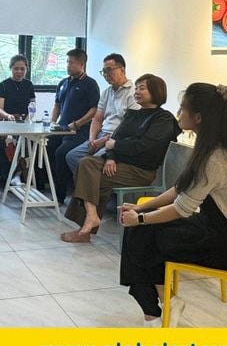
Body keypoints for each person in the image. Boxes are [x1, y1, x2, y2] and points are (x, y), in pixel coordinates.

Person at [119, 83, 227, 327]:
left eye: (183, 108)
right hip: (219, 232)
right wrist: (141, 209)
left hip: (224, 248)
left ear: (198, 117)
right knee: (141, 233)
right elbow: (180, 188)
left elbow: (181, 208)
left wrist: (140, 219)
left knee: (140, 235)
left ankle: (156, 310)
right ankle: (162, 304)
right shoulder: (216, 148)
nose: (178, 113)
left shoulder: (215, 158)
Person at [62, 74, 180, 243]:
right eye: (136, 88)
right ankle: (91, 217)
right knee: (86, 163)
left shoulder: (163, 119)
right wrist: (111, 157)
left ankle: (85, 229)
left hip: (140, 171)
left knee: (90, 177)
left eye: (142, 88)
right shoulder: (132, 115)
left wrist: (115, 146)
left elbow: (143, 145)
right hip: (119, 164)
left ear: (156, 91)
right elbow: (114, 138)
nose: (137, 91)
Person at [64, 53, 139, 186]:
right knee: (72, 156)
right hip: (101, 135)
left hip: (117, 138)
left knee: (89, 162)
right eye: (103, 71)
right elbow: (97, 119)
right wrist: (92, 140)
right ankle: (90, 190)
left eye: (109, 70)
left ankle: (93, 192)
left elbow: (128, 127)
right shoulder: (106, 92)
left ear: (122, 70)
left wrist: (103, 141)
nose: (106, 74)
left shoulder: (133, 93)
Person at [46, 49, 100, 199]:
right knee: (45, 147)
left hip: (79, 131)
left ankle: (60, 195)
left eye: (72, 62)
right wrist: (52, 122)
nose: (68, 66)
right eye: (67, 62)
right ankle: (44, 187)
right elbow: (57, 105)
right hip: (61, 128)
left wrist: (77, 123)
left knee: (61, 153)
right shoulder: (63, 83)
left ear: (82, 64)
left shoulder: (90, 84)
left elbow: (94, 109)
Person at [0, 54, 36, 185]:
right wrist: (8, 116)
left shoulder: (29, 85)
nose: (19, 72)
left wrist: (29, 118)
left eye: (22, 69)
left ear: (26, 69)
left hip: (24, 121)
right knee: (7, 140)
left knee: (28, 141)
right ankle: (9, 176)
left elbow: (32, 105)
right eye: (16, 68)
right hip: (6, 121)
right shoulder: (3, 85)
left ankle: (21, 175)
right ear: (11, 68)